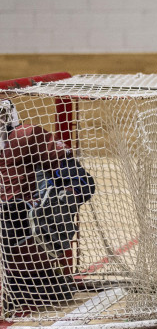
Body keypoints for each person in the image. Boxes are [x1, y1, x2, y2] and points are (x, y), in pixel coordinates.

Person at [0, 99, 96, 313]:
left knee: (11, 211)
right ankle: (25, 282)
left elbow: (82, 181)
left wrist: (65, 199)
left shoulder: (26, 137)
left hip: (27, 222)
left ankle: (29, 276)